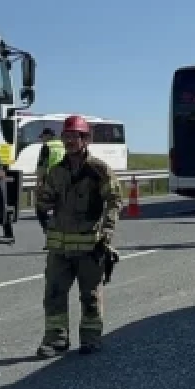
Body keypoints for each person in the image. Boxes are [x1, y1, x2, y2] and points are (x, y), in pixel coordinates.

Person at [34, 115, 122, 357]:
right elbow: (46, 202)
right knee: (53, 294)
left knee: (90, 296)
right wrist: (41, 197)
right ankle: (56, 339)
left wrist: (107, 231)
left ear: (86, 139)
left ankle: (91, 338)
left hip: (89, 246)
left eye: (75, 136)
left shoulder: (99, 170)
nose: (70, 140)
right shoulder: (56, 172)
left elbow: (114, 201)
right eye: (67, 136)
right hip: (59, 248)